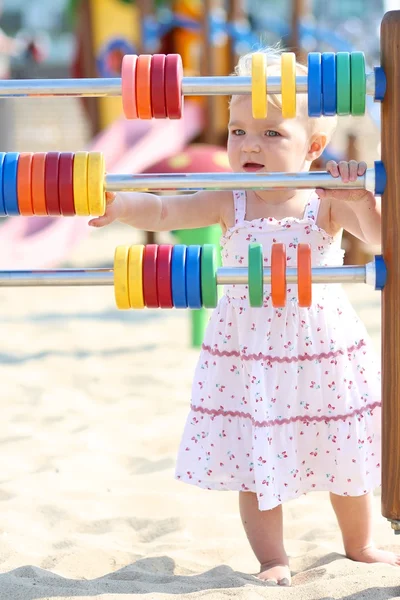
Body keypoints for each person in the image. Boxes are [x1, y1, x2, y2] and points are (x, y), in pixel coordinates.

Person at [89, 48, 398, 586]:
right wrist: (122, 206)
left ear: (314, 147)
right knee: (258, 461)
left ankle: (361, 542)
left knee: (343, 448)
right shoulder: (227, 198)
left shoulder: (323, 197)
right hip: (249, 351)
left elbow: (377, 241)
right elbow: (166, 210)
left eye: (272, 133)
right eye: (237, 131)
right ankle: (272, 559)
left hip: (319, 347)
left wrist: (359, 196)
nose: (249, 144)